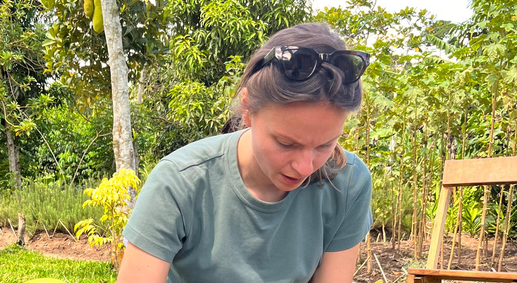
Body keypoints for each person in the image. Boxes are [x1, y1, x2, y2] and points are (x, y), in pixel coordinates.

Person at [118, 23, 373, 283]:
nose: (305, 167)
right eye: (285, 143)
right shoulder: (179, 181)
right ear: (247, 109)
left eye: (325, 145)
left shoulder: (348, 183)